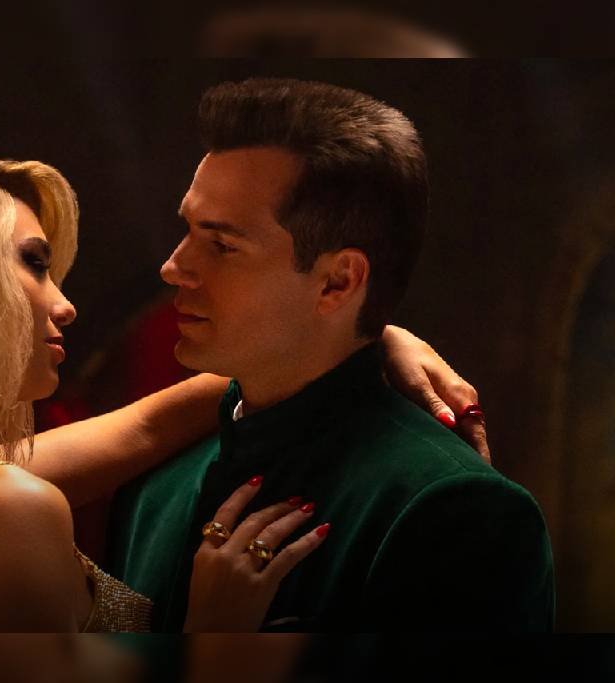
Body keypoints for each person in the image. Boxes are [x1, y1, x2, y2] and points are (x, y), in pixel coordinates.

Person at [0, 149, 493, 632]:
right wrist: (213, 639)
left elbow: (147, 426)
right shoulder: (4, 507)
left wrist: (362, 333)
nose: (64, 304)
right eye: (35, 264)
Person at [109, 78, 555, 632]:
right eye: (188, 231)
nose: (174, 267)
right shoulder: (158, 489)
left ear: (337, 281)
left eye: (222, 245)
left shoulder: (456, 511)